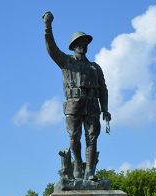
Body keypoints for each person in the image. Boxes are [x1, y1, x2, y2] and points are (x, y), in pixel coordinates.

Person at [42, 11, 111, 180]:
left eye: (84, 42)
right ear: (73, 46)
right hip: (73, 104)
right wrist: (47, 27)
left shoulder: (95, 67)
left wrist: (106, 109)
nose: (82, 45)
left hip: (93, 104)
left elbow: (103, 89)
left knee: (92, 137)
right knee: (74, 136)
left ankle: (90, 171)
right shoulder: (66, 62)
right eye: (78, 43)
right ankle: (77, 166)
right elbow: (51, 49)